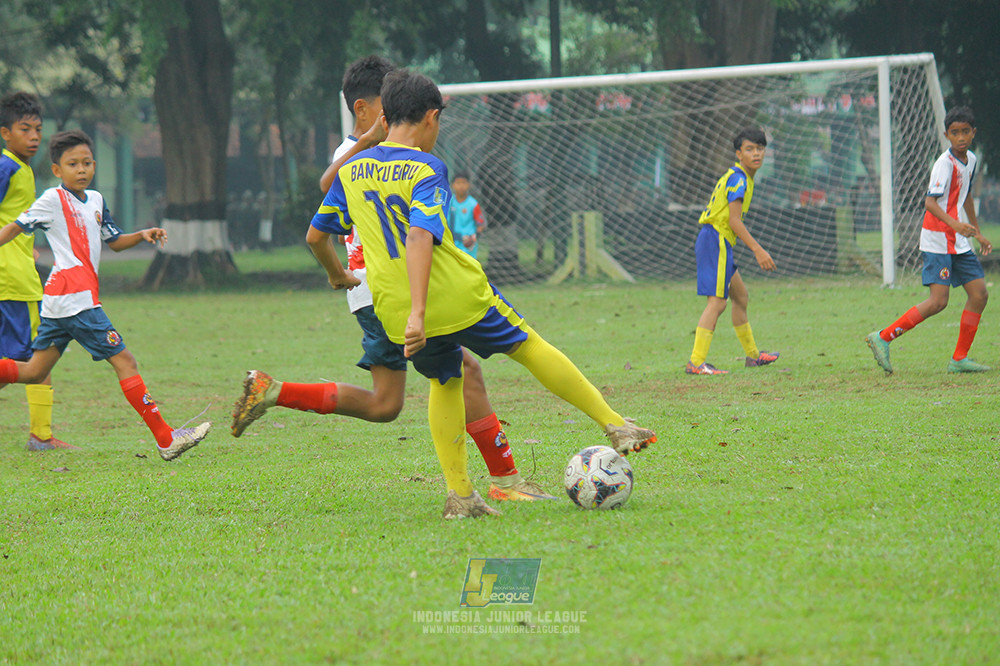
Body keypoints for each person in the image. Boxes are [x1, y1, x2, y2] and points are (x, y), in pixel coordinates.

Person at [307, 69, 656, 519]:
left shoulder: (351, 170)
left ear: (386, 116)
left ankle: (460, 496)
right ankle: (615, 424)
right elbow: (419, 237)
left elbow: (316, 236)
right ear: (431, 118)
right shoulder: (426, 166)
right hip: (455, 296)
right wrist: (420, 310)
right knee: (528, 345)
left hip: (392, 309)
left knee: (445, 381)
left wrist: (338, 276)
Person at [233, 56, 556, 502]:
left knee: (386, 404)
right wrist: (367, 140)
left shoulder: (389, 151)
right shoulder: (355, 151)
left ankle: (274, 392)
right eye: (387, 105)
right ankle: (505, 482)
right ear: (364, 109)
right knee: (464, 371)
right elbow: (329, 184)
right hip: (384, 290)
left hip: (378, 292)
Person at [0, 130, 210, 460]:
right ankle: (166, 439)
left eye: (86, 163)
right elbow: (16, 226)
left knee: (34, 372)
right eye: (72, 164)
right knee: (125, 361)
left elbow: (113, 240)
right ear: (57, 170)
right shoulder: (52, 199)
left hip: (61, 302)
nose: (81, 169)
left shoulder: (96, 199)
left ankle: (167, 438)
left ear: (94, 165)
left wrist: (142, 235)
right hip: (75, 298)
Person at [866, 106, 991, 374]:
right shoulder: (943, 165)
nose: (960, 137)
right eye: (954, 133)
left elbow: (966, 195)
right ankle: (883, 337)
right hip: (937, 239)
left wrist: (977, 231)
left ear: (973, 133)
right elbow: (930, 203)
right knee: (938, 301)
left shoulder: (971, 160)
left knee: (979, 294)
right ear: (946, 135)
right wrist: (956, 224)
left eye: (965, 132)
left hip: (957, 240)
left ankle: (959, 358)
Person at [0, 92, 74, 451]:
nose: (33, 136)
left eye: (38, 130)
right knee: (36, 356)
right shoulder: (7, 167)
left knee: (22, 359)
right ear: (5, 132)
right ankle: (40, 436)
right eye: (24, 129)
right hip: (11, 281)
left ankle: (41, 435)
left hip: (17, 277)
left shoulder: (22, 168)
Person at [686, 126, 779, 376]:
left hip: (718, 241)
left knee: (741, 297)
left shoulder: (742, 177)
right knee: (717, 303)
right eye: (750, 149)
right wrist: (758, 250)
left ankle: (752, 357)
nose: (756, 154)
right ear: (739, 153)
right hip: (715, 239)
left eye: (760, 149)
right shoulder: (739, 179)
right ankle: (696, 363)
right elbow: (734, 221)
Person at [447, 172, 486, 258]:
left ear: (469, 185)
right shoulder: (449, 202)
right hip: (452, 242)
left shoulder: (473, 204)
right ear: (452, 185)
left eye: (464, 183)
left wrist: (473, 238)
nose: (461, 186)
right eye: (458, 183)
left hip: (467, 244)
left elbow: (481, 224)